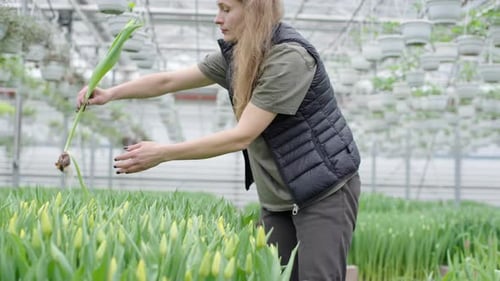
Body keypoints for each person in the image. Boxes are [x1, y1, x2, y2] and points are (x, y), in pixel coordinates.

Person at [76, 0, 361, 280]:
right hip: (277, 198)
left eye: (225, 9)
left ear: (253, 10)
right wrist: (111, 93)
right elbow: (169, 82)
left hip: (322, 192)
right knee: (278, 275)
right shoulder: (240, 54)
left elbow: (242, 136)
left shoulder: (289, 58)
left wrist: (163, 153)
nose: (217, 18)